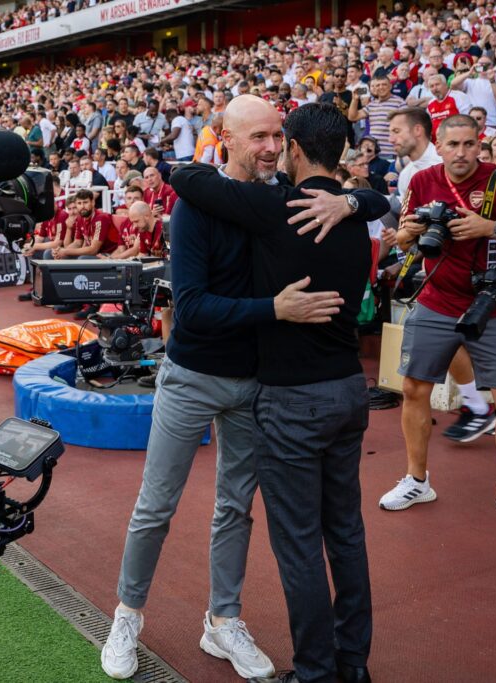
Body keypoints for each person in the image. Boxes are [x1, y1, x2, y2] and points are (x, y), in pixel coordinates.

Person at [100, 94, 388, 683]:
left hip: (259, 383)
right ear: (224, 138)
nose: (270, 147)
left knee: (236, 509)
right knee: (156, 506)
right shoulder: (199, 204)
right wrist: (274, 309)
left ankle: (223, 619)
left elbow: (375, 199)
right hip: (194, 376)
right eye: (256, 136)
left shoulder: (282, 199)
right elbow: (195, 307)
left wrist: (353, 198)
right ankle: (127, 614)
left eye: (277, 136)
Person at [171, 101, 374, 683]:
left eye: (280, 140)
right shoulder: (357, 216)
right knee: (347, 534)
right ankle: (353, 664)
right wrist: (355, 196)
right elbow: (379, 200)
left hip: (292, 400)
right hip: (348, 391)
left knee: (300, 545)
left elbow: (186, 177)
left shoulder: (274, 206)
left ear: (296, 149)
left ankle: (314, 672)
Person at [379, 114, 496, 528]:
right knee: (413, 388)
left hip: (489, 303)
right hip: (436, 299)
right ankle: (416, 480)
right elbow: (406, 238)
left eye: (468, 144)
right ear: (438, 146)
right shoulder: (422, 181)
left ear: (480, 145)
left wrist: (490, 228)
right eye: (452, 145)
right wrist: (417, 229)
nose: (461, 153)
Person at [347, 71, 406, 159]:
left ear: (390, 86)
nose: (380, 87)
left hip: (391, 153)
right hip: (373, 154)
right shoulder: (372, 105)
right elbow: (352, 117)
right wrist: (355, 100)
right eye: (377, 85)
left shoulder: (400, 102)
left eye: (384, 84)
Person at [389, 107, 443, 199]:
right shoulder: (405, 174)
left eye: (396, 131)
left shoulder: (443, 166)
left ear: (417, 130)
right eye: (390, 133)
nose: (391, 140)